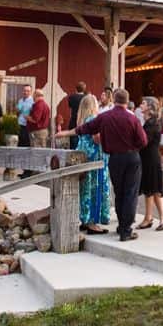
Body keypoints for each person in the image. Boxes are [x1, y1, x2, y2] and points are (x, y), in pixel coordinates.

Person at [76, 89, 146, 241]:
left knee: (119, 193)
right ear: (127, 101)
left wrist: (73, 131)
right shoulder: (132, 118)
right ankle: (125, 230)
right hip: (131, 157)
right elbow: (143, 141)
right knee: (130, 193)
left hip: (114, 158)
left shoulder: (105, 117)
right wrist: (132, 146)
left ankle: (122, 225)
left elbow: (86, 128)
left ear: (114, 100)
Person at [68, 91, 111, 235]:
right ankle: (92, 223)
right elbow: (97, 138)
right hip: (94, 159)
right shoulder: (93, 119)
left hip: (83, 156)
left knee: (85, 189)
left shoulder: (82, 120)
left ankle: (85, 219)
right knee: (95, 189)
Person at [135, 97, 163, 232]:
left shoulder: (152, 123)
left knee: (155, 188)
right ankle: (148, 217)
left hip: (151, 159)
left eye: (143, 103)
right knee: (149, 189)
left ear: (150, 107)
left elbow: (143, 141)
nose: (141, 105)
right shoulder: (150, 122)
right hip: (147, 158)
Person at [17, 86, 51, 179]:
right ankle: (35, 172)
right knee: (38, 151)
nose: (33, 97)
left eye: (33, 95)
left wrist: (26, 117)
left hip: (38, 132)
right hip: (39, 131)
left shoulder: (39, 105)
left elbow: (35, 119)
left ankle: (37, 174)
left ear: (36, 95)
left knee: (37, 152)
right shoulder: (43, 104)